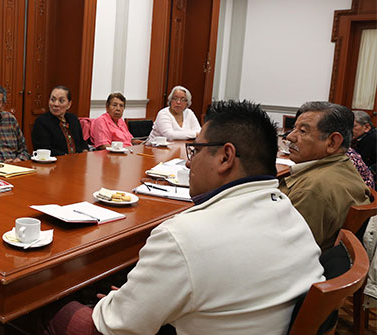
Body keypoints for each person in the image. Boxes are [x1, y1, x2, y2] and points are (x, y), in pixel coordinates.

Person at [44, 100, 325, 335]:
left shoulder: (184, 236)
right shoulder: (288, 211)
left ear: (225, 157)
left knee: (51, 309)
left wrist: (119, 304)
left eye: (196, 149)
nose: (189, 161)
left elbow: (115, 326)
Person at [280, 101, 371, 250]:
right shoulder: (342, 165)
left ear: (332, 142)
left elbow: (285, 250)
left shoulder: (311, 191)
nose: (290, 137)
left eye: (302, 131)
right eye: (294, 129)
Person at [32, 85, 87, 156]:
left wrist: (85, 152)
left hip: (77, 161)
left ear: (69, 104)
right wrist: (67, 157)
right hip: (54, 163)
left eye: (61, 101)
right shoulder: (42, 121)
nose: (56, 104)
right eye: (53, 100)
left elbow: (82, 142)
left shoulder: (73, 119)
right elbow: (43, 150)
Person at [351, 110, 376, 176]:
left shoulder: (374, 138)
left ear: (366, 127)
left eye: (353, 126)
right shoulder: (357, 137)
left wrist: (367, 173)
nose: (349, 130)